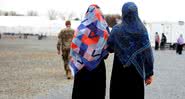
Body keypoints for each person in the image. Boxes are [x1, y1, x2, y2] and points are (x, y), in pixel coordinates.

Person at [107, 2, 154, 99]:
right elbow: (148, 54)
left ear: (123, 13)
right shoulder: (142, 30)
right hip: (136, 72)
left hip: (119, 70)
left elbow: (109, 48)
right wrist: (149, 73)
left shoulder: (116, 29)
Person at [69, 4, 110, 99]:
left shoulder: (80, 28)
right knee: (97, 93)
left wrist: (85, 55)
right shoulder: (104, 31)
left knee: (81, 93)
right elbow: (107, 52)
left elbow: (74, 47)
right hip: (98, 68)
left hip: (82, 67)